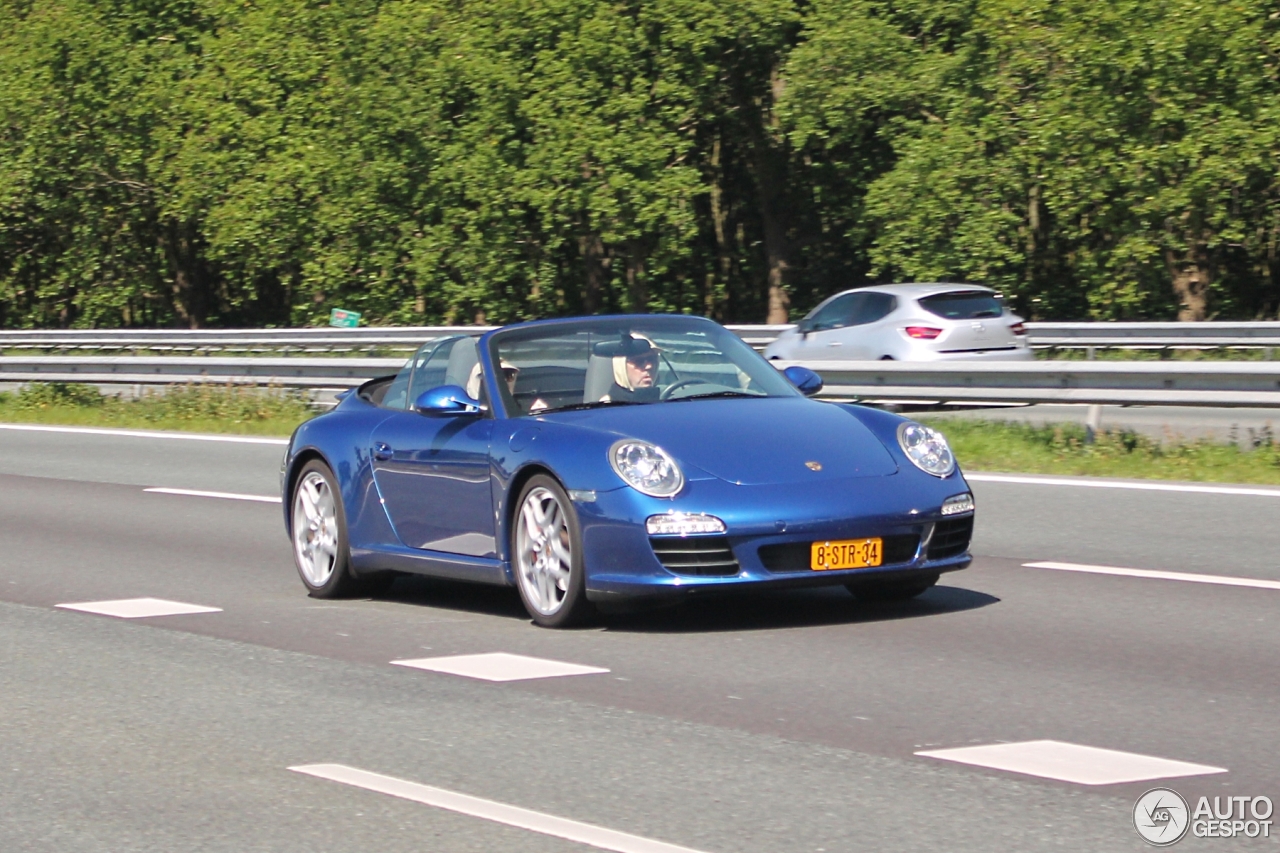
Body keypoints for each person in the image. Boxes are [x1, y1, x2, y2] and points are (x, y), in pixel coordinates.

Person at [600, 335, 662, 403]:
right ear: (621, 367)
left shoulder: (666, 402)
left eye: (652, 359)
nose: (649, 366)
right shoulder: (606, 406)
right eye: (639, 361)